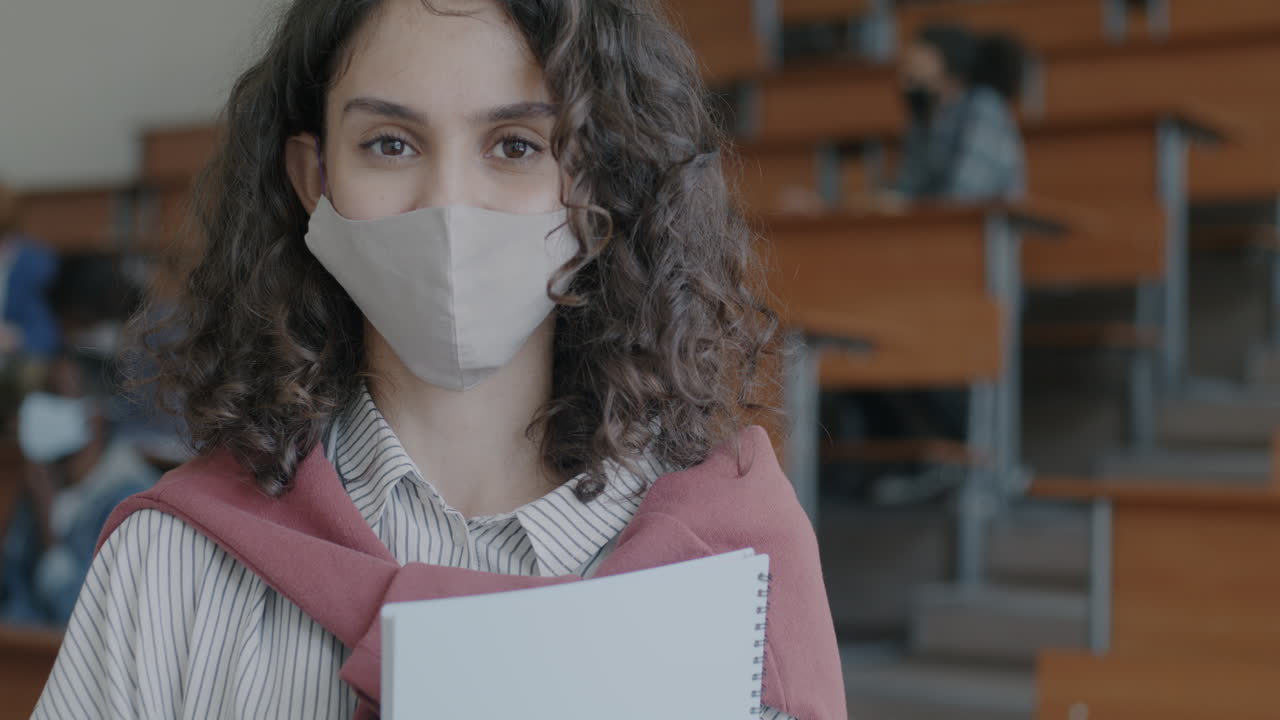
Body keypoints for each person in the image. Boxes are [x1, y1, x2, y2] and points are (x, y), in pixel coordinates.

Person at [34, 1, 845, 719]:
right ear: (315, 180)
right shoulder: (174, 561)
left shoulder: (735, 566)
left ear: (598, 176)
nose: (449, 203)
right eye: (390, 143)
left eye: (517, 145)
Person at [0, 352, 159, 625]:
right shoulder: (44, 479)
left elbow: (80, 617)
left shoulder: (131, 502)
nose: (38, 407)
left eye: (55, 395)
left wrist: (47, 526)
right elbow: (11, 590)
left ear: (94, 414)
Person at [890, 23, 1027, 204]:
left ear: (947, 58)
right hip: (934, 224)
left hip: (978, 226)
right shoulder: (924, 115)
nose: (908, 62)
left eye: (921, 52)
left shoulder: (984, 107)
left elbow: (967, 192)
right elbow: (907, 186)